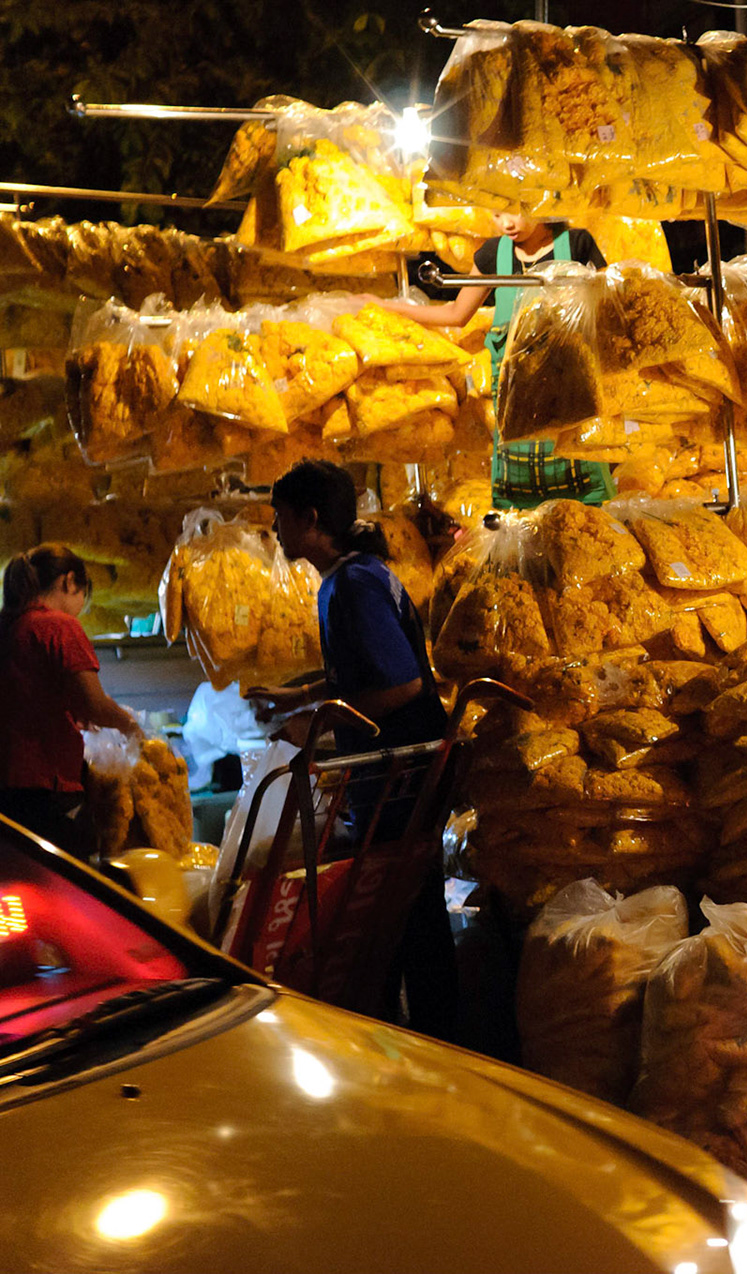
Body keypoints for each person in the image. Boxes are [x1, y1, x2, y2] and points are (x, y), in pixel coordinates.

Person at [247, 460, 455, 1039]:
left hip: (400, 776)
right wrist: (303, 693)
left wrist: (320, 726)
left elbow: (402, 684)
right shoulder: (356, 573)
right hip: (395, 776)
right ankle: (405, 1032)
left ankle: (433, 1040)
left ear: (309, 519)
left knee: (408, 917)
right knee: (400, 915)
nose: (275, 528)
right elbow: (360, 668)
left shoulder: (354, 584)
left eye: (279, 516)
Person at [382, 211, 611, 510]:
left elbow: (609, 306)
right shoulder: (494, 255)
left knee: (584, 521)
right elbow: (455, 315)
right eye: (497, 214)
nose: (507, 224)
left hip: (574, 414)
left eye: (516, 212)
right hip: (516, 422)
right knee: (521, 524)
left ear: (540, 203)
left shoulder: (577, 245)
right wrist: (387, 307)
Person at [0, 545, 141, 847]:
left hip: (8, 794)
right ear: (69, 581)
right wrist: (132, 727)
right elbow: (94, 704)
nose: (80, 606)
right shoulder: (58, 626)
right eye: (83, 595)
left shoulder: (11, 626)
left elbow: (28, 701)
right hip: (44, 791)